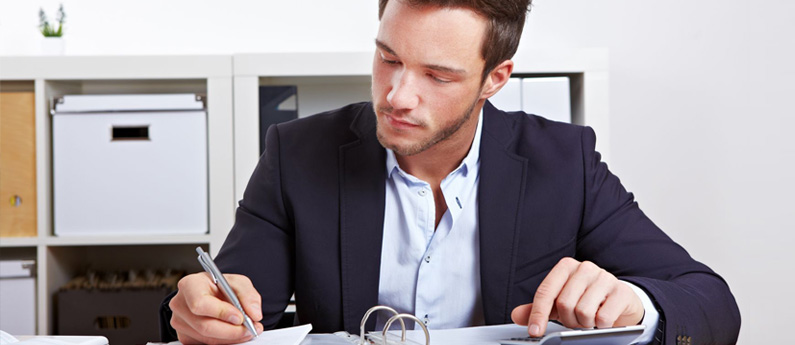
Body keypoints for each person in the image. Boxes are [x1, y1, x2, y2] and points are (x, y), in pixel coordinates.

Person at [161, 1, 741, 344]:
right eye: (388, 57)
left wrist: (637, 308)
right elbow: (219, 306)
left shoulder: (565, 162)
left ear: (496, 77)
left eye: (437, 76)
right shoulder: (297, 153)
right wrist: (198, 312)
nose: (397, 95)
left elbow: (712, 304)